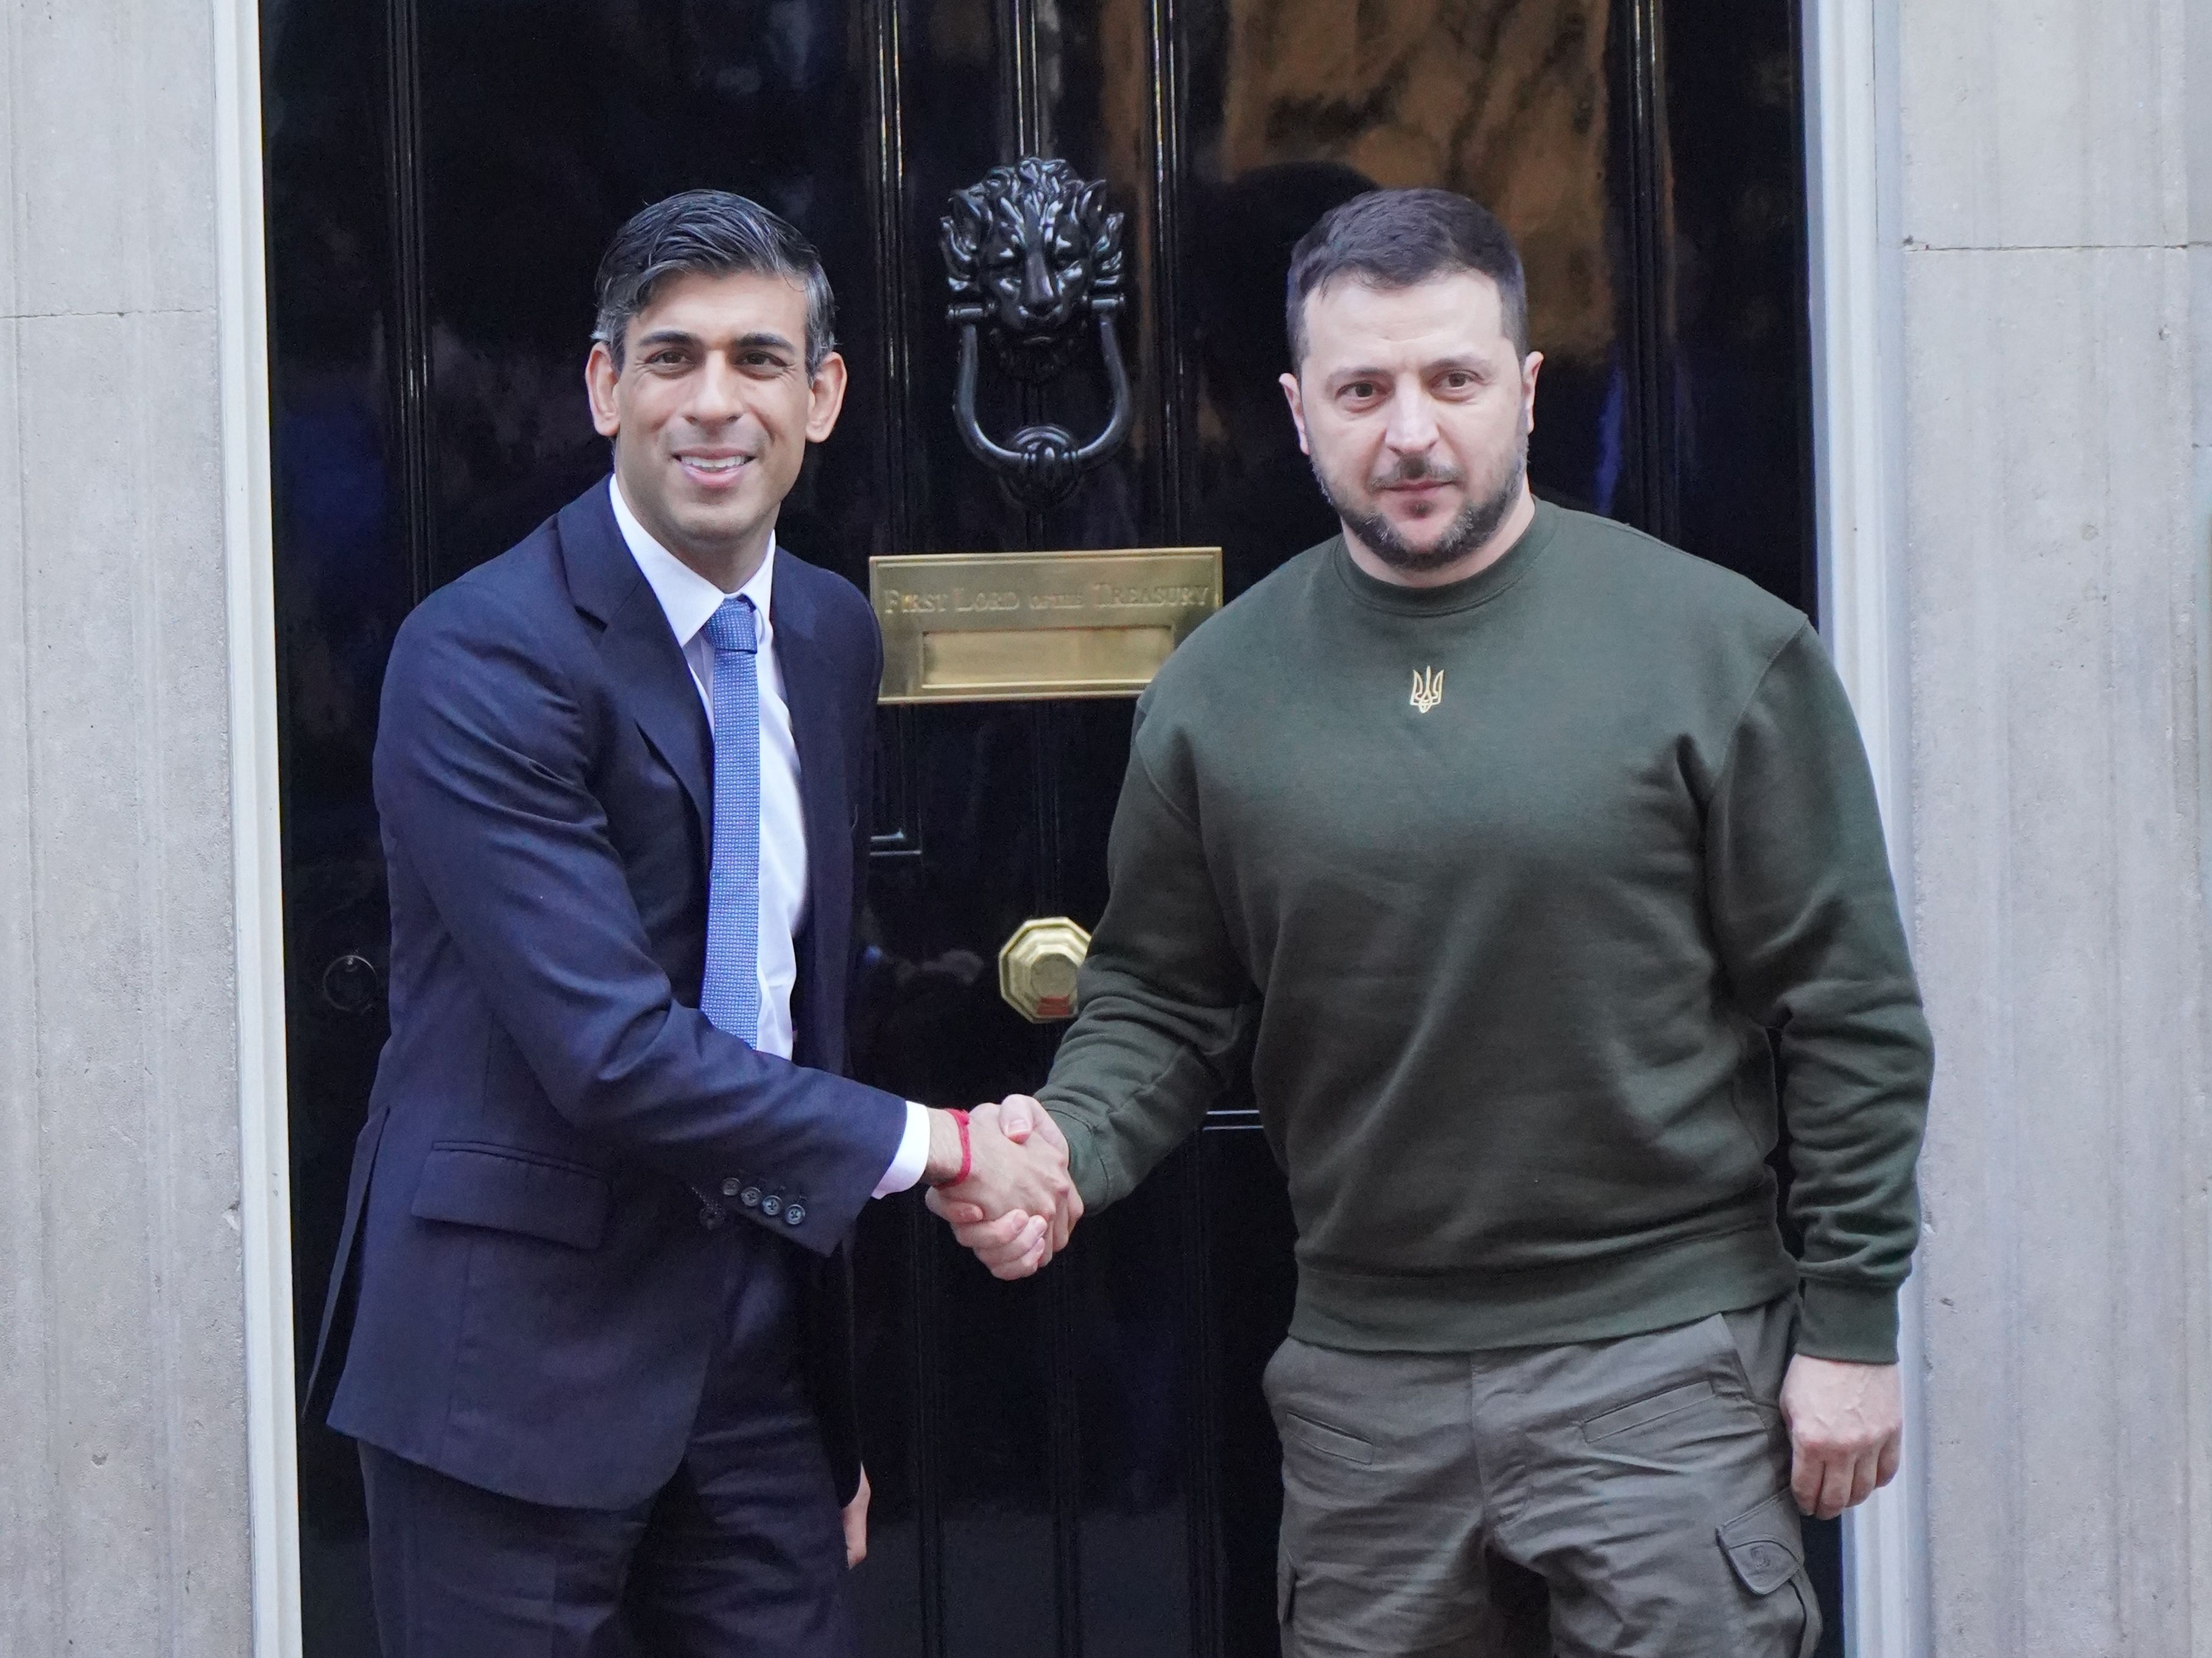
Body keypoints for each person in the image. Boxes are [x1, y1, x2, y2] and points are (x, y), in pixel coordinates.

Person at [935, 187, 1931, 1657]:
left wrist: (1850, 1323)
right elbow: (1158, 992)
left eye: (1453, 380)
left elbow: (1847, 1008)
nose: (1410, 432)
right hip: (1364, 1390)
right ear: (1295, 410)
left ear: (1525, 389)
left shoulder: (1720, 651)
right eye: (1362, 389)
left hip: (1663, 1369)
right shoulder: (1218, 691)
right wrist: (1066, 1148)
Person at [305, 189, 1074, 1658]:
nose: (713, 402)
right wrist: (950, 1144)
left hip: (758, 1375)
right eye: (669, 358)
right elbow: (609, 1049)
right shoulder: (478, 654)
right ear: (605, 388)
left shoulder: (832, 636)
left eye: (758, 359)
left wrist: (822, 1419)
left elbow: (794, 998)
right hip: (509, 1368)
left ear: (824, 395)